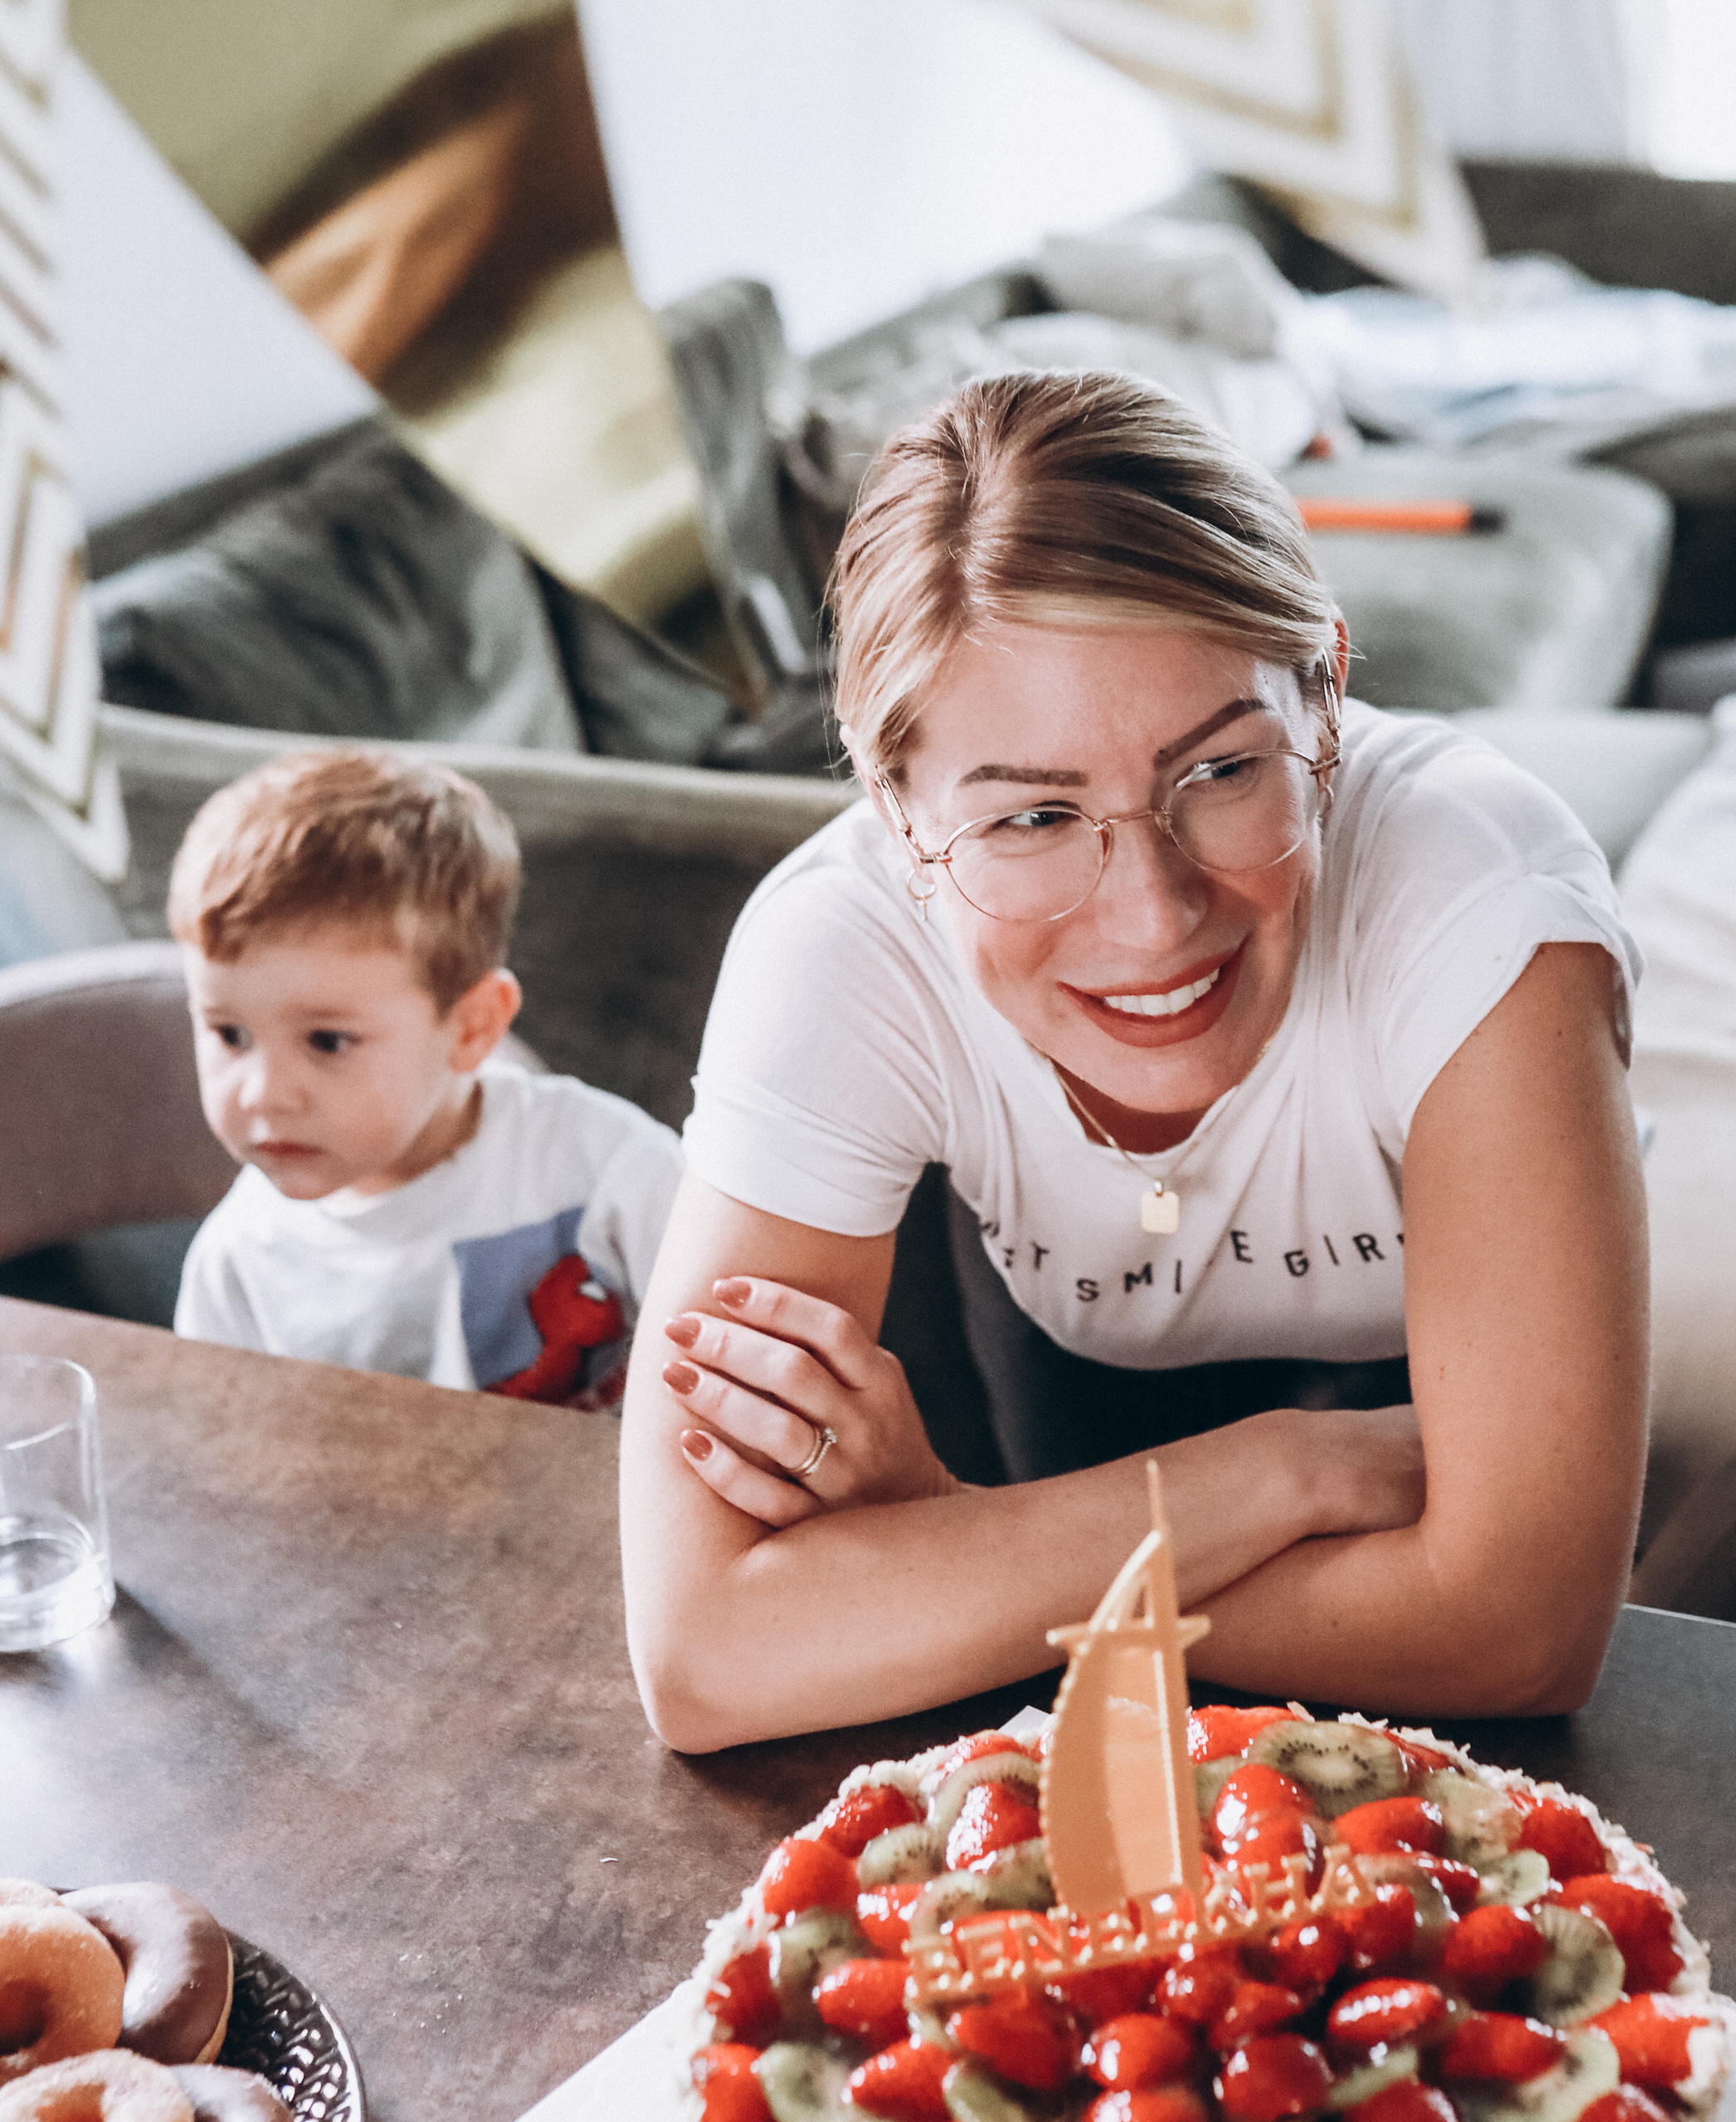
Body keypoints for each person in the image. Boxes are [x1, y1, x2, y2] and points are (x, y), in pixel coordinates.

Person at [623, 371, 1648, 1751]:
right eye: (1036, 816)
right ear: (892, 802)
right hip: (1070, 1374)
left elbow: (1524, 1627)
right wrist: (1282, 1476)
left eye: (1222, 774)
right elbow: (703, 1653)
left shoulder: (1475, 897)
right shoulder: (837, 948)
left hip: (1328, 1401)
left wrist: (959, 1554)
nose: (1154, 919)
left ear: (1326, 698)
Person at [170, 748, 683, 1404]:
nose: (263, 1092)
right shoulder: (236, 1266)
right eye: (228, 1034)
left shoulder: (607, 1167)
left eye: (327, 1041)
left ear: (472, 1028)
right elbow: (224, 1469)